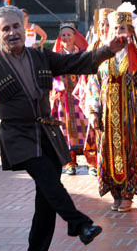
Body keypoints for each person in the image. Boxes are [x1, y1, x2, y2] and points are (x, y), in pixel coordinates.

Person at [0, 5, 127, 250]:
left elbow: (75, 61)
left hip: (47, 134)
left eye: (16, 26)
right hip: (18, 136)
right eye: (5, 29)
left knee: (46, 200)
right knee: (48, 180)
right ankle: (79, 224)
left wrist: (108, 50)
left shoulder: (41, 56)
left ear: (24, 28)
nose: (12, 32)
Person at [86, 2, 137, 212]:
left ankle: (128, 194)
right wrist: (94, 111)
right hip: (107, 119)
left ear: (130, 32)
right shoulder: (102, 57)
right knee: (108, 153)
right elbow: (93, 84)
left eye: (122, 28)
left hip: (129, 119)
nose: (118, 32)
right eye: (115, 28)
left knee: (130, 152)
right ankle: (115, 192)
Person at [50, 22, 96, 176]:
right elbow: (52, 74)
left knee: (86, 128)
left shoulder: (82, 54)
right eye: (63, 35)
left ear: (75, 36)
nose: (66, 38)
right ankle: (70, 162)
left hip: (80, 97)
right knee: (66, 129)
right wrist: (57, 84)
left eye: (69, 35)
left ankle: (92, 162)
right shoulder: (56, 55)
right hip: (63, 98)